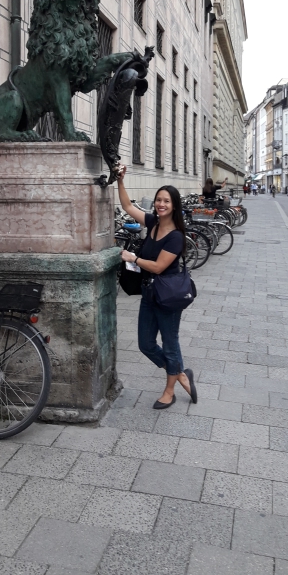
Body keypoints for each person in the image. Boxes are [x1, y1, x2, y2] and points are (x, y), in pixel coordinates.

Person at [116, 165, 197, 409]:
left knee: (170, 344)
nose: (161, 204)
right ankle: (180, 373)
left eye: (166, 201)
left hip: (167, 296)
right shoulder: (152, 222)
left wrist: (133, 258)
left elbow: (159, 267)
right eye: (159, 200)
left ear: (174, 206)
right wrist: (120, 181)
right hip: (149, 293)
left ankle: (169, 391)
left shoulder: (175, 236)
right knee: (146, 344)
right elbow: (127, 207)